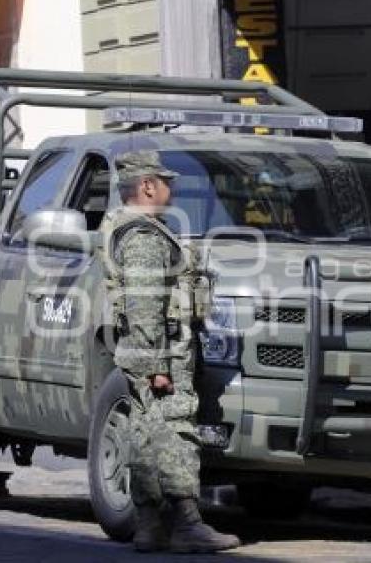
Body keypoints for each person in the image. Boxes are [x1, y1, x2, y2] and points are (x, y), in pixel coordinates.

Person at [99, 150, 240, 554]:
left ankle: (149, 526)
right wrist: (157, 366)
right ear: (147, 186)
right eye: (165, 181)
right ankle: (187, 524)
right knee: (175, 434)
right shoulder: (144, 237)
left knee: (145, 435)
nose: (171, 188)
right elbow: (145, 305)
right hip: (161, 357)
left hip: (146, 355)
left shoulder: (128, 227)